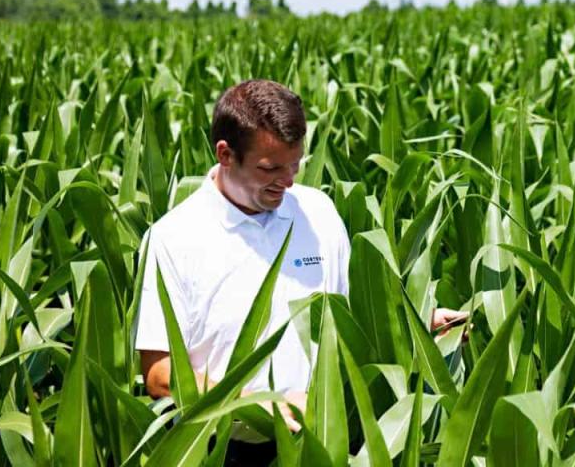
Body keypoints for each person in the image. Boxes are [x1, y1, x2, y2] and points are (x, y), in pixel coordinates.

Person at [134, 79, 466, 465]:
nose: (288, 181)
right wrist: (261, 404)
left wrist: (419, 328)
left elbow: (346, 321)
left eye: (295, 164)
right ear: (225, 154)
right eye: (270, 168)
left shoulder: (317, 212)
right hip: (219, 450)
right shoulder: (175, 237)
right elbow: (159, 374)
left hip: (319, 440)